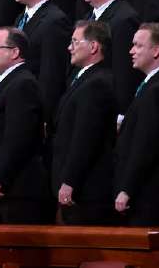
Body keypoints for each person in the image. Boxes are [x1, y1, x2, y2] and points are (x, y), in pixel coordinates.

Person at [0, 27, 50, 224]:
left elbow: (18, 137)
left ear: (15, 52)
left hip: (14, 189)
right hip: (0, 187)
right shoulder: (7, 82)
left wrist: (0, 177)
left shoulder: (22, 83)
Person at [114, 23, 159, 226]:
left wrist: (127, 188)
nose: (131, 50)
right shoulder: (157, 85)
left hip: (148, 195)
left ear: (156, 50)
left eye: (137, 45)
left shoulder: (158, 90)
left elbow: (146, 145)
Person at [51, 20, 117, 225]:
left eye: (74, 42)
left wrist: (70, 181)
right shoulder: (84, 79)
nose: (69, 47)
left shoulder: (97, 83)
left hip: (86, 190)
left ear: (93, 46)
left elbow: (85, 138)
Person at [11, 0, 73, 119]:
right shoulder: (20, 18)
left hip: (32, 111)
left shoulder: (55, 21)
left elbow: (51, 76)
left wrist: (43, 117)